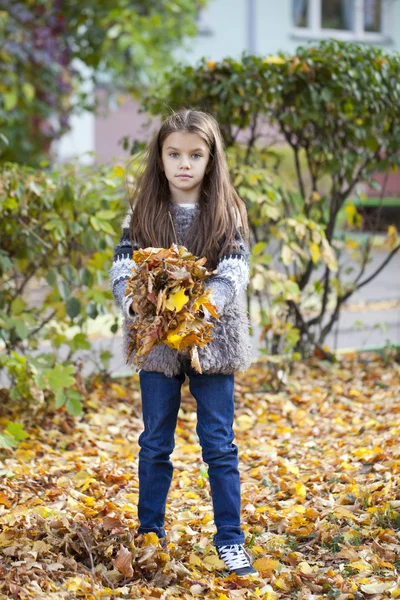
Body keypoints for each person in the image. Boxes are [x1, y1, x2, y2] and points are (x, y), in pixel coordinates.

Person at [109, 109, 258, 577]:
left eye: (196, 154)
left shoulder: (227, 210)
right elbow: (122, 266)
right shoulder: (143, 210)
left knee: (219, 442)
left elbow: (235, 268)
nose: (184, 164)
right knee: (155, 441)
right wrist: (134, 305)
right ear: (160, 157)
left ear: (211, 159)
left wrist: (201, 307)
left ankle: (230, 540)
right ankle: (150, 534)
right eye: (174, 154)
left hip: (212, 338)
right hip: (155, 340)